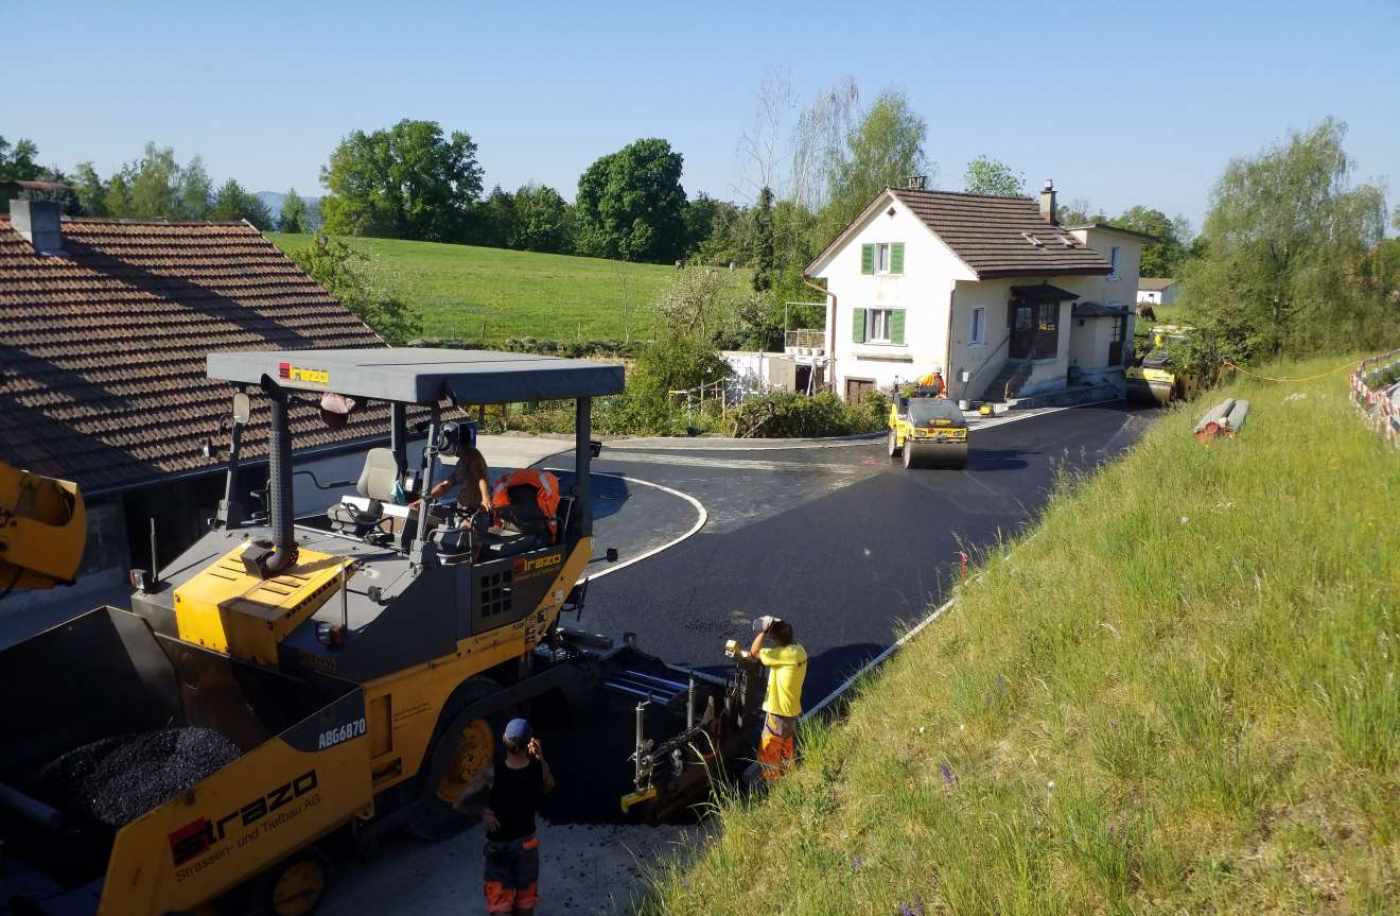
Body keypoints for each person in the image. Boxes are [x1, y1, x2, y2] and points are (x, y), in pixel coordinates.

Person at [482, 718, 554, 916]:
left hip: (498, 847)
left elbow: (459, 802)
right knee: (525, 901)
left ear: (504, 741)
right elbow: (549, 785)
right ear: (528, 743)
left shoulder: (492, 772)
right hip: (526, 846)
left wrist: (483, 812)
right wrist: (540, 757)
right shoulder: (538, 769)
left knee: (500, 903)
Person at [749, 617, 807, 782]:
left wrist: (763, 631)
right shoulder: (799, 650)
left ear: (775, 639)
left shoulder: (780, 654)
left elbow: (754, 652)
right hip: (792, 709)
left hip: (778, 711)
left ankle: (772, 783)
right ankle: (789, 776)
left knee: (770, 749)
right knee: (786, 745)